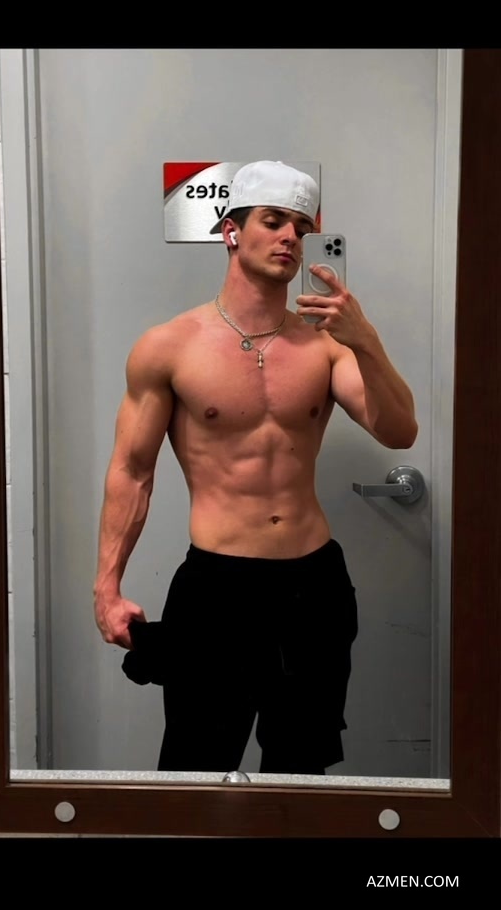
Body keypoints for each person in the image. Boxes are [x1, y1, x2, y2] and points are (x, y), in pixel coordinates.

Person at [93, 160, 418, 776]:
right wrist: (106, 588)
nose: (291, 236)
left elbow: (399, 431)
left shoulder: (328, 346)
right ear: (231, 231)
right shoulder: (169, 347)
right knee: (195, 767)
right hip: (217, 589)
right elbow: (132, 472)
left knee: (301, 772)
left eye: (302, 226)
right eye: (273, 221)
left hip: (313, 585)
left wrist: (365, 338)